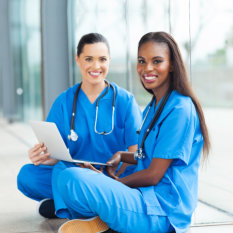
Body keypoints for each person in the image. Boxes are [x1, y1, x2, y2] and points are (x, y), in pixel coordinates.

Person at [56, 31, 210, 233]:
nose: (147, 68)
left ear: (172, 64)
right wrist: (122, 156)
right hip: (141, 198)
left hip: (161, 211)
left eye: (157, 61)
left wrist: (114, 184)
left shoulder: (180, 109)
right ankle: (110, 219)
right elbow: (148, 154)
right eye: (142, 61)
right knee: (66, 178)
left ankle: (111, 218)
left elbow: (154, 174)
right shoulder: (154, 106)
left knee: (76, 179)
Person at [17, 33, 142, 219]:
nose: (96, 66)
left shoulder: (125, 101)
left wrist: (110, 173)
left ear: (109, 61)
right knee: (27, 176)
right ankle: (88, 203)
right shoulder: (64, 101)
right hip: (74, 172)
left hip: (111, 176)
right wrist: (42, 156)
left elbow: (136, 153)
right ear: (77, 59)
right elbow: (56, 153)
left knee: (64, 175)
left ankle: (70, 208)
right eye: (89, 59)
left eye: (102, 59)